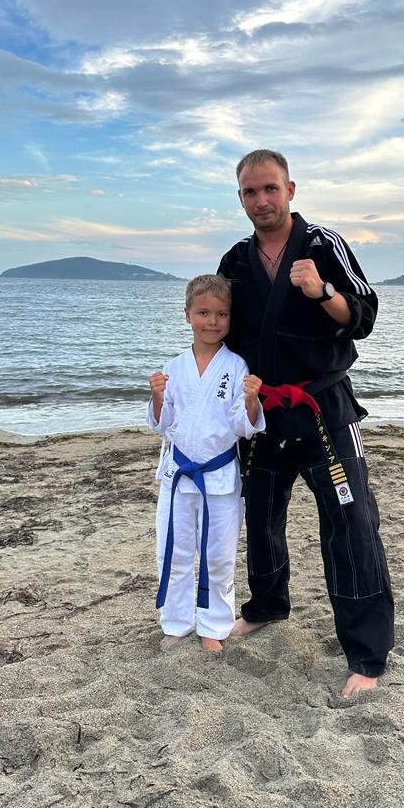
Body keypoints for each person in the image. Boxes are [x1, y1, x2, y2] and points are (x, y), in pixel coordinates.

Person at [217, 149, 394, 697]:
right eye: (250, 192)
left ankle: (366, 654)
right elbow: (217, 334)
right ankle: (267, 606)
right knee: (261, 515)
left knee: (351, 523)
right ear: (240, 198)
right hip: (263, 413)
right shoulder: (235, 261)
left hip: (324, 410)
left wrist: (322, 292)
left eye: (270, 188)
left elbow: (363, 317)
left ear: (290, 190)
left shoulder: (323, 244)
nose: (261, 200)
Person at [147, 274, 265, 653]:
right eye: (203, 313)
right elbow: (162, 424)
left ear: (230, 318)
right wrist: (158, 397)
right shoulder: (174, 367)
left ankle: (213, 625)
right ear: (187, 315)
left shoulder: (236, 366)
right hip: (179, 475)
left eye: (221, 314)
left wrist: (251, 401)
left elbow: (242, 426)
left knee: (218, 555)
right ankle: (177, 622)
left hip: (220, 477)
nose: (212, 321)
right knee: (175, 552)